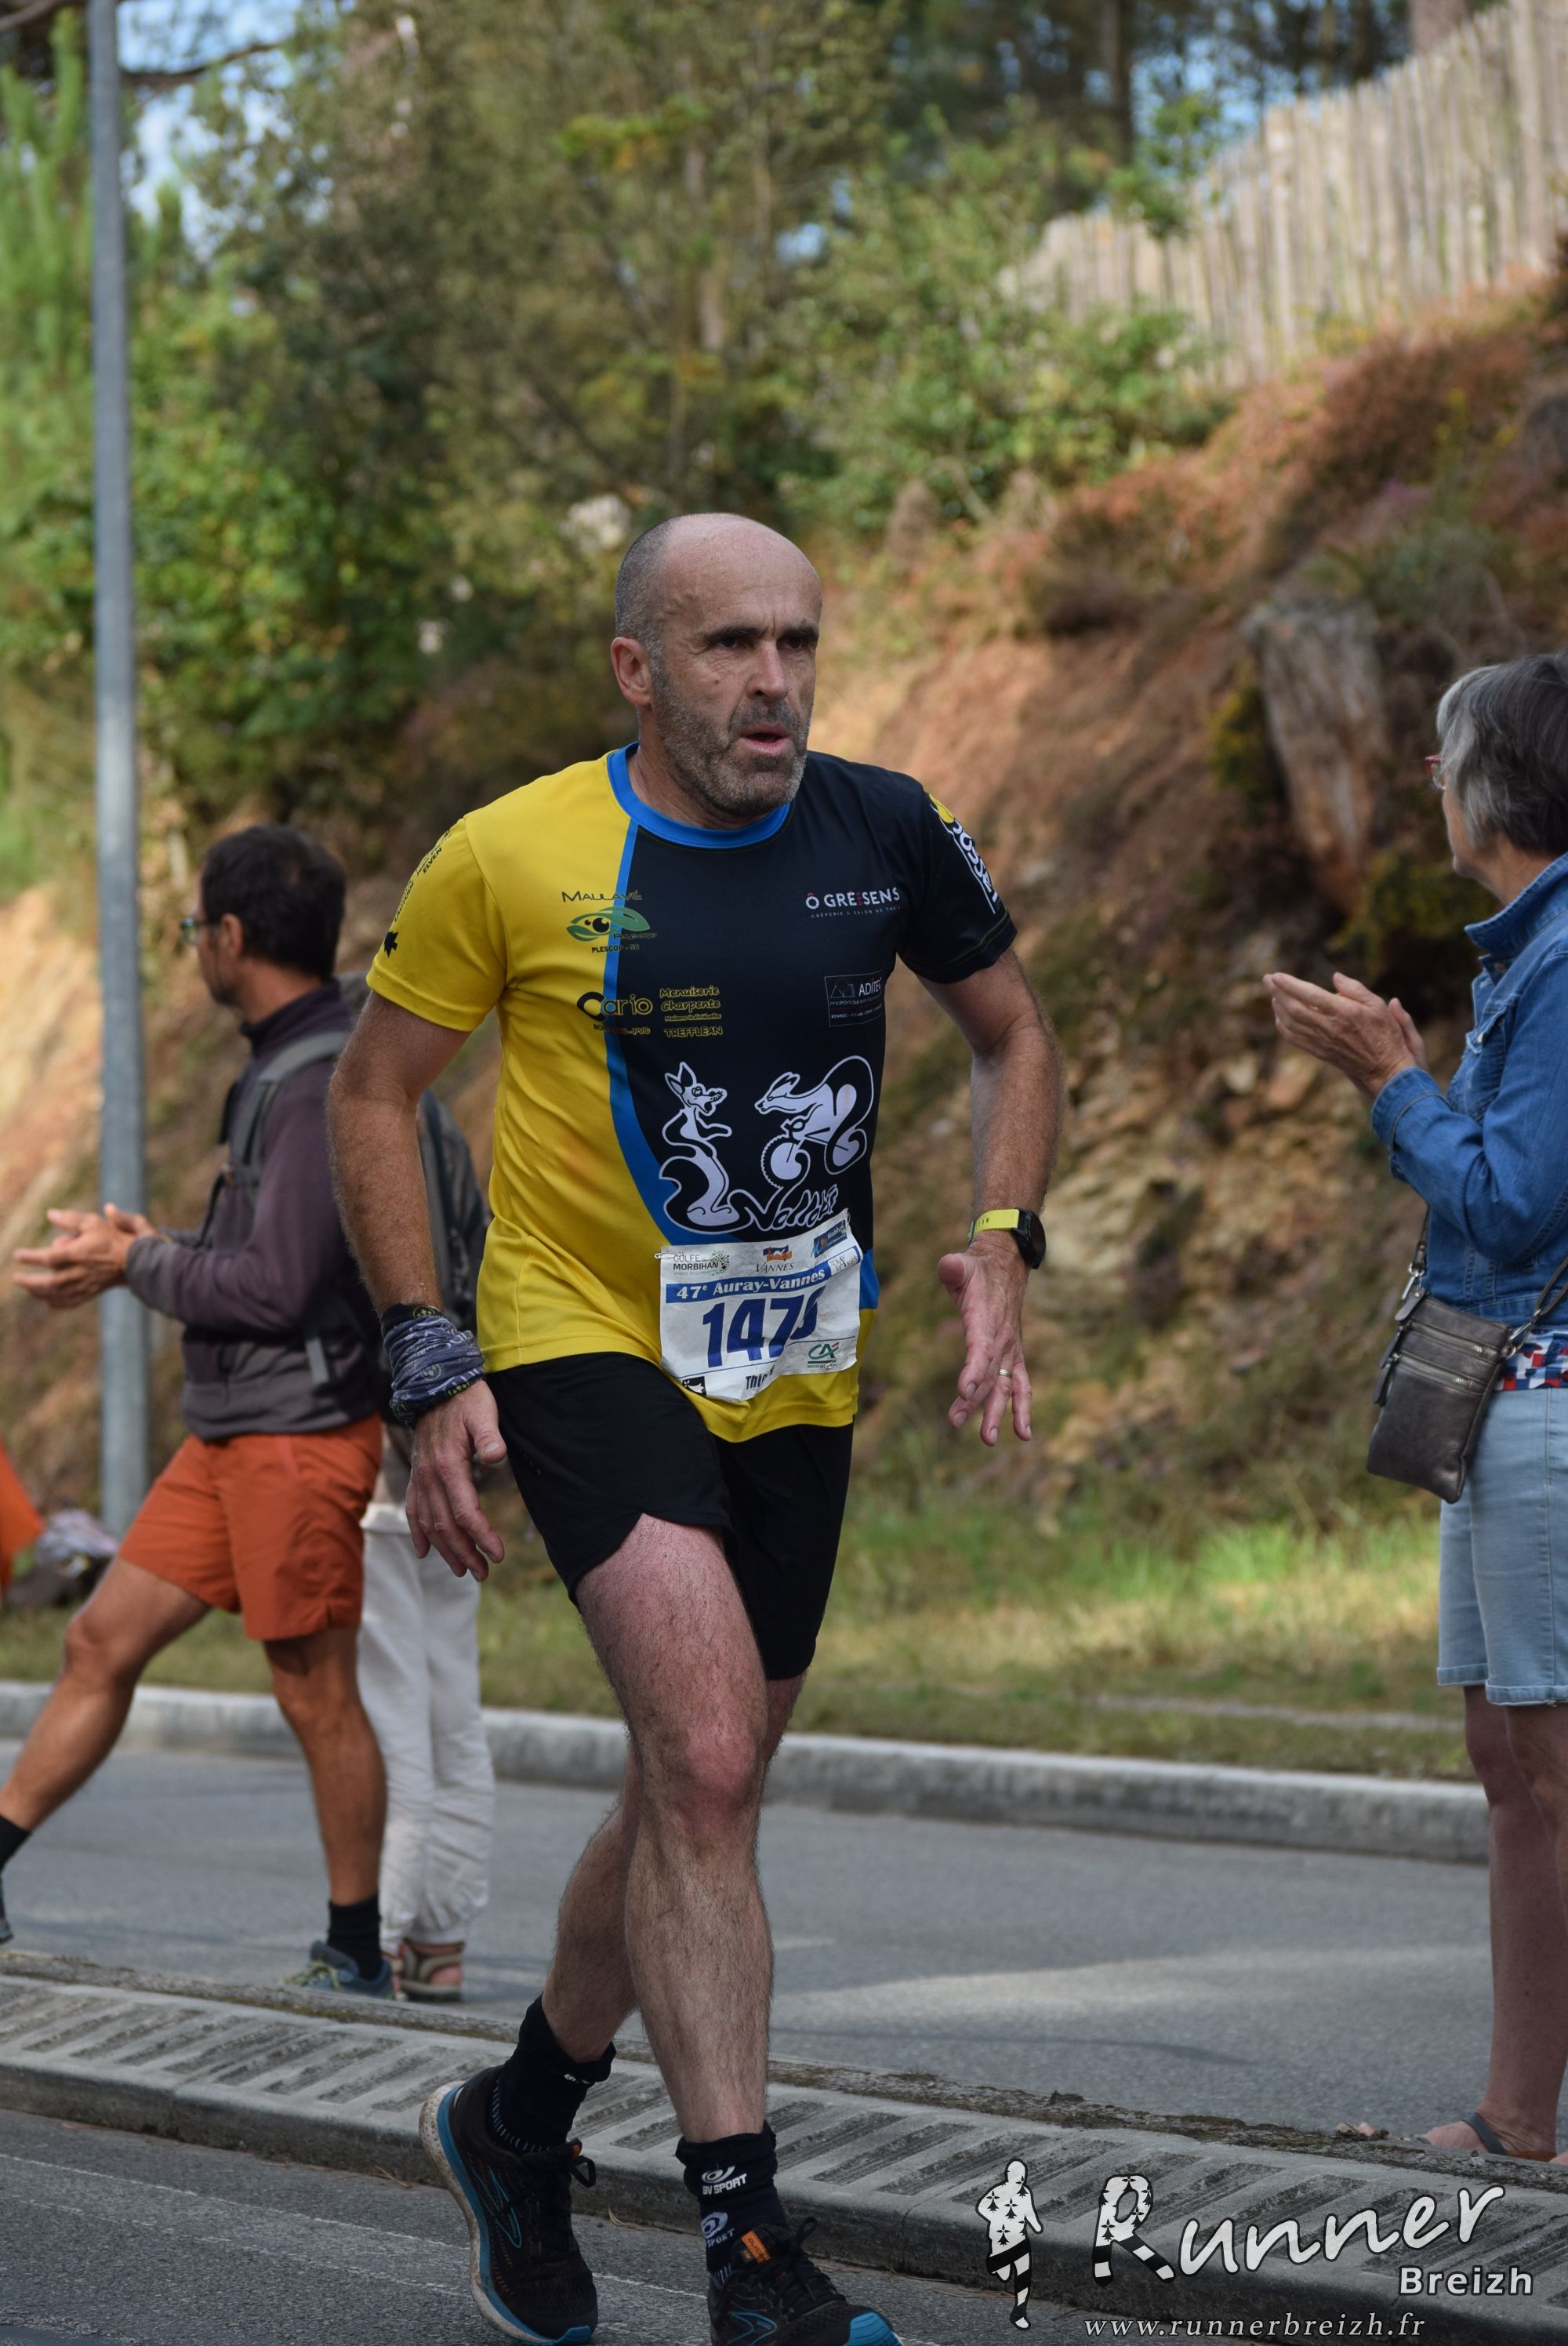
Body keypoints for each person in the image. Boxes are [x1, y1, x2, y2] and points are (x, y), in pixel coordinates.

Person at [329, 510, 1061, 2346]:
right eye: (731, 644)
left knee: (694, 1782)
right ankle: (745, 2245)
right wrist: (426, 1348)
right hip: (583, 1336)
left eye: (797, 642)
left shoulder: (884, 830)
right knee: (714, 1753)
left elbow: (1011, 1034)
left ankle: (517, 2120)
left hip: (797, 1365)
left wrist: (1000, 1233)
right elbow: (374, 1091)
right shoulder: (511, 853)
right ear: (635, 668)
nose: (773, 681)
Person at [0, 825, 393, 1996]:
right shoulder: (283, 1060)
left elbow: (280, 1286)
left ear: (229, 935)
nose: (196, 951)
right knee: (98, 1642)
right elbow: (261, 1253)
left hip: (298, 1435)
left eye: (194, 932)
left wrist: (134, 1262)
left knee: (313, 1688)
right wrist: (148, 1247)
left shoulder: (316, 1075)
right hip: (232, 1432)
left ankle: (355, 1951)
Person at [1265, 649, 1568, 2165]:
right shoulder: (1531, 948)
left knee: (1554, 1771)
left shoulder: (1566, 954)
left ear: (1492, 786)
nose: (1431, 786)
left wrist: (1392, 1079)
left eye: (1445, 761)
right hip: (1499, 1396)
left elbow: (1509, 1203)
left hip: (1549, 1404)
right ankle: (1518, 2118)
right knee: (1511, 1769)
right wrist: (1397, 1077)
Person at [358, 1425, 495, 2000]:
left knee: (391, 1728)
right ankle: (438, 1946)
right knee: (454, 1723)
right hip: (457, 1492)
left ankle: (378, 1941)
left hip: (375, 1490)